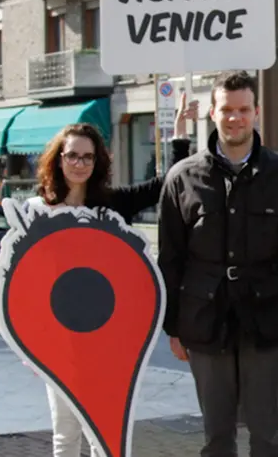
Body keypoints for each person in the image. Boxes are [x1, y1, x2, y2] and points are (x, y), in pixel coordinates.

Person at [157, 71, 278, 457]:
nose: (235, 118)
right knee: (216, 438)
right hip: (204, 320)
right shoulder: (182, 179)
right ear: (212, 113)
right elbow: (170, 259)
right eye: (226, 109)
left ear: (256, 113)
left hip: (268, 318)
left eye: (243, 109)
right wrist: (173, 325)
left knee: (266, 436)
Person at [26, 99, 196, 457]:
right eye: (72, 155)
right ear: (59, 158)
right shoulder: (38, 212)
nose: (79, 163)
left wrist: (180, 136)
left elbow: (165, 183)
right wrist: (28, 343)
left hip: (107, 337)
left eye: (87, 157)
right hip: (59, 338)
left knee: (103, 430)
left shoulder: (111, 206)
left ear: (97, 162)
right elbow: (25, 283)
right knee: (64, 433)